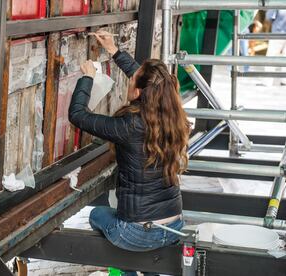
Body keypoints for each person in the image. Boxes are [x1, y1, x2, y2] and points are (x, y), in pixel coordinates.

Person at [68, 30, 190, 276]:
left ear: (138, 92)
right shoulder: (173, 117)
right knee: (144, 248)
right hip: (175, 225)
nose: (130, 81)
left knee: (97, 214)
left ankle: (129, 272)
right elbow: (149, 80)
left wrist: (87, 78)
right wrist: (114, 51)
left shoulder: (130, 125)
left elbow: (78, 115)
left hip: (138, 233)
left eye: (133, 82)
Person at [262, 10, 286, 86]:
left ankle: (267, 82)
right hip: (278, 33)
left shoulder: (278, 2)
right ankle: (284, 81)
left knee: (271, 57)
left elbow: (269, 17)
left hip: (277, 33)